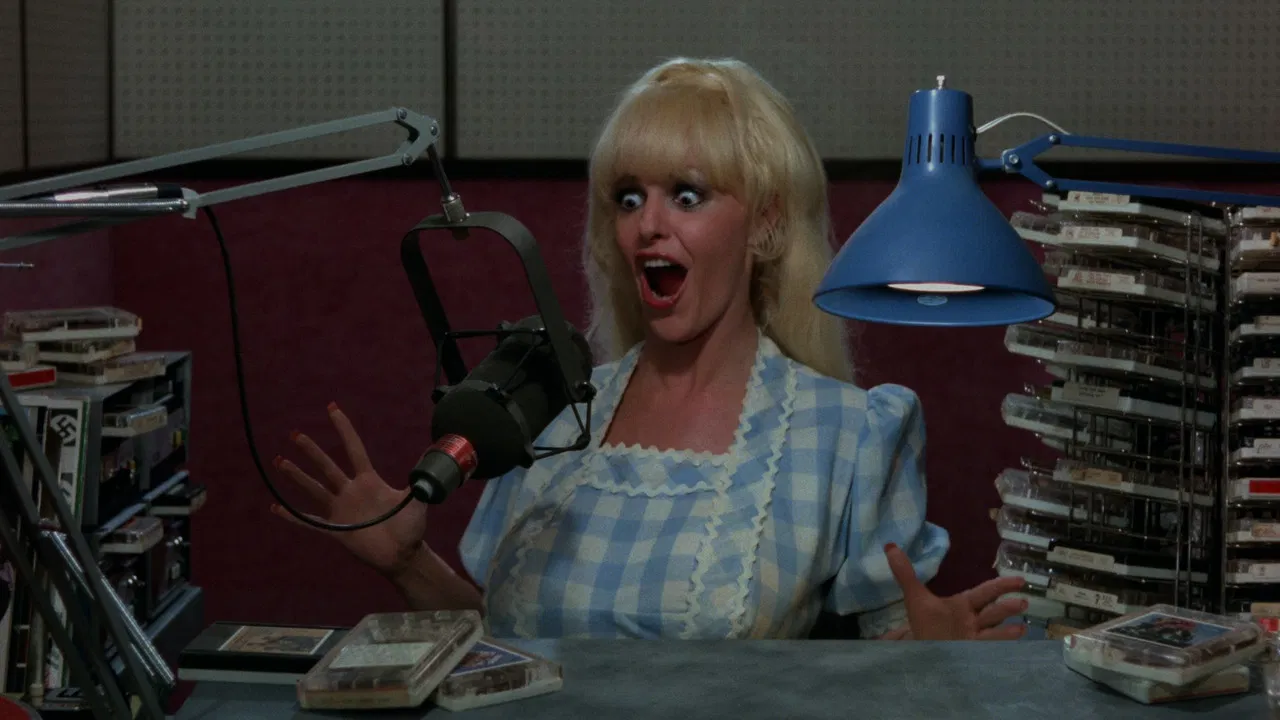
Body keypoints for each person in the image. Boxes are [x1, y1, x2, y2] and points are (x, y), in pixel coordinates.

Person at [271, 57, 1029, 640]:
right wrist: (409, 563)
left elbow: (884, 668)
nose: (647, 225)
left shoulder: (848, 435)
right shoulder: (547, 412)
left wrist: (929, 654)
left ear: (766, 225)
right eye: (628, 197)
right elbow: (499, 651)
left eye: (687, 195)